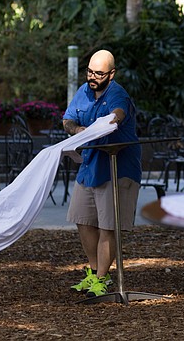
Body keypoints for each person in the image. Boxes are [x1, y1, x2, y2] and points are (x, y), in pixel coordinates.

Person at [62, 49, 141, 297]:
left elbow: (119, 113)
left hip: (116, 169)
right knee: (83, 219)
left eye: (98, 73)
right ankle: (96, 273)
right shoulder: (83, 92)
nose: (92, 77)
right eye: (89, 72)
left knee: (109, 226)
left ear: (111, 74)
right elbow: (67, 120)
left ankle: (102, 280)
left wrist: (110, 121)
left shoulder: (117, 93)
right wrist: (77, 130)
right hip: (89, 167)